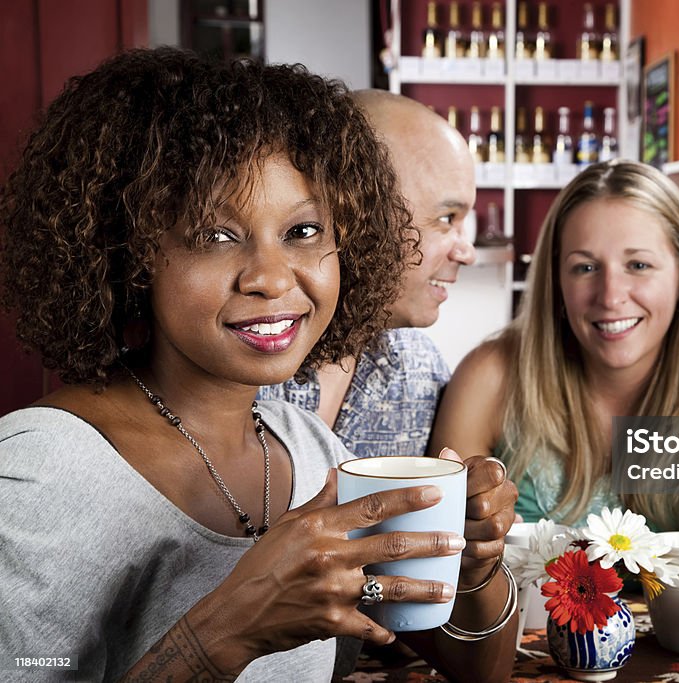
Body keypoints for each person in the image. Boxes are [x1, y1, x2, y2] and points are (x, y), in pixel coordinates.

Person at [0, 48, 516, 682]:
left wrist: (474, 565)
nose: (273, 278)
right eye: (217, 235)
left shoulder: (314, 455)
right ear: (129, 252)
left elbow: (479, 670)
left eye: (302, 232)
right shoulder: (37, 476)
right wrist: (233, 626)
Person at [430, 159, 679, 532]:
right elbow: (443, 551)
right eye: (585, 268)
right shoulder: (491, 376)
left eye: (638, 265)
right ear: (557, 279)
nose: (610, 296)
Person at [259, 90, 477, 459]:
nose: (466, 252)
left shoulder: (419, 371)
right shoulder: (238, 360)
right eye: (446, 219)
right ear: (359, 213)